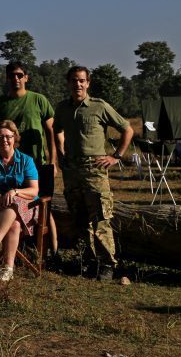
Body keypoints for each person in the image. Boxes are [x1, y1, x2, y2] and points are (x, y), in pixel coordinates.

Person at [53, 66, 133, 281]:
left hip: (95, 169)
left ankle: (108, 265)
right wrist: (60, 154)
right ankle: (89, 262)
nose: (77, 85)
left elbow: (127, 129)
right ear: (68, 83)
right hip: (72, 170)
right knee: (79, 218)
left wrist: (116, 156)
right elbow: (56, 129)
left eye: (81, 81)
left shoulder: (99, 106)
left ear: (88, 83)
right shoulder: (62, 108)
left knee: (100, 217)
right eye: (73, 81)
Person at [0, 121, 39, 282]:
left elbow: (34, 191)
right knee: (14, 224)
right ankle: (8, 268)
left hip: (27, 206)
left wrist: (15, 191)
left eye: (8, 136)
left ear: (15, 138)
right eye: (0, 137)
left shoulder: (26, 160)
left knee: (14, 202)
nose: (4, 140)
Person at [0, 61, 57, 172]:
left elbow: (51, 131)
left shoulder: (39, 100)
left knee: (39, 190)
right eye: (11, 75)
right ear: (7, 78)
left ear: (26, 78)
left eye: (19, 75)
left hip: (36, 162)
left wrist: (52, 162)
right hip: (6, 164)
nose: (16, 78)